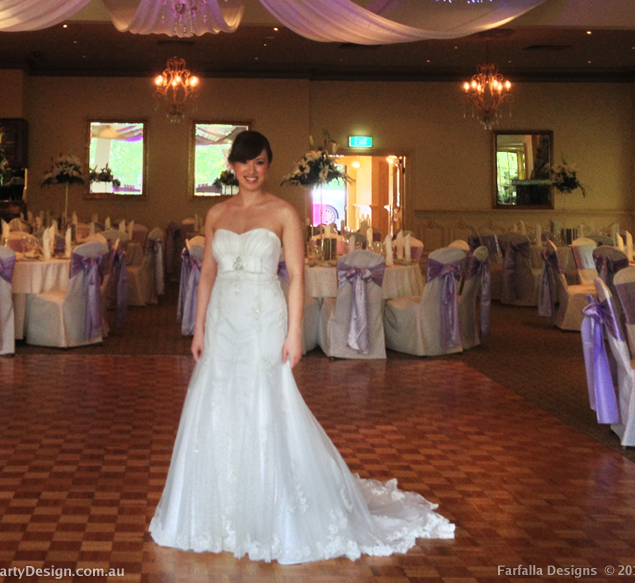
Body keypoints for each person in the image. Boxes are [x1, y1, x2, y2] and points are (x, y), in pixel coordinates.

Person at [149, 131, 454, 564]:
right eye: (244, 163)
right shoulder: (216, 213)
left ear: (268, 166)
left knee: (264, 400)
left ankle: (271, 504)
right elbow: (208, 276)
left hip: (263, 314)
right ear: (232, 166)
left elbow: (296, 275)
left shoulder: (283, 212)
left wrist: (294, 333)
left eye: (259, 163)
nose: (251, 171)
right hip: (222, 317)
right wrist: (198, 329)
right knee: (216, 400)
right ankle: (217, 506)